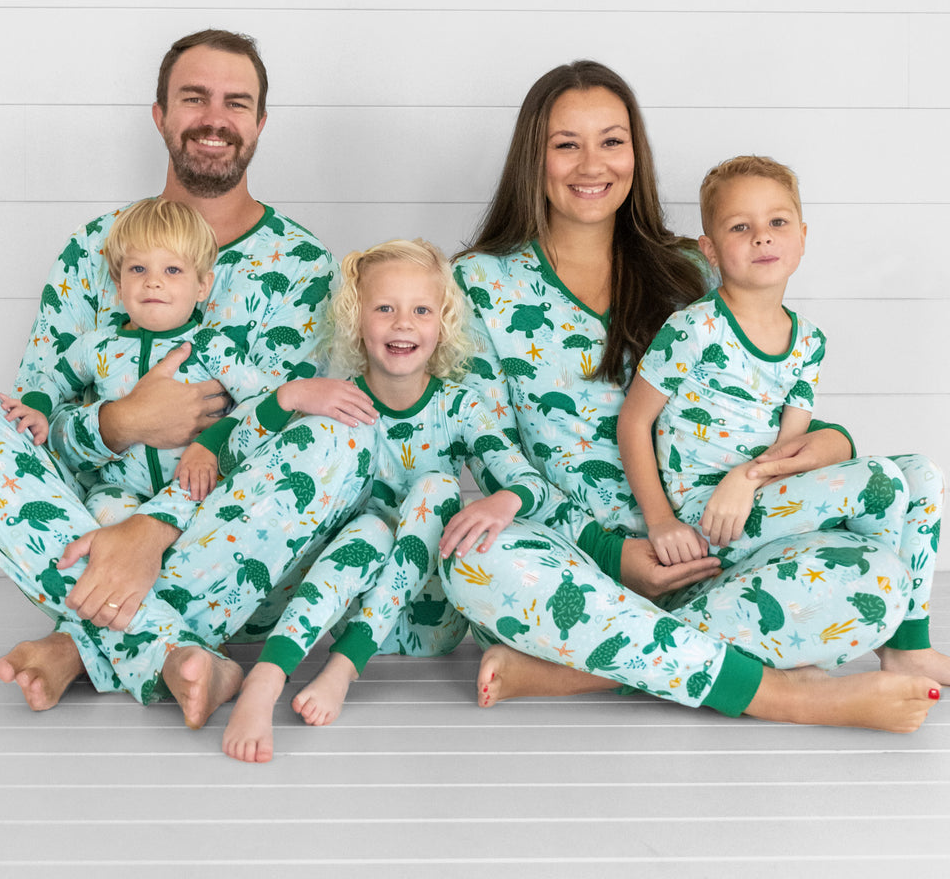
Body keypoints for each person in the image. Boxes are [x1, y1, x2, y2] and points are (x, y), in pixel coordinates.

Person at [442, 60, 944, 732]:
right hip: (583, 563)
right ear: (534, 157)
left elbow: (764, 408)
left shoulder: (691, 268)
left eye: (612, 140)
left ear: (636, 153)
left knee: (883, 567)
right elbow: (492, 452)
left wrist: (825, 447)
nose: (592, 164)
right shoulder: (478, 283)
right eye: (567, 143)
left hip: (719, 542)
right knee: (475, 558)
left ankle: (588, 669)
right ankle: (784, 694)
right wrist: (616, 551)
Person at [0, 29, 383, 726]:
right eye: (193, 98)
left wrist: (156, 528)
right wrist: (117, 424)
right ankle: (173, 655)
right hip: (92, 537)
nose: (215, 118)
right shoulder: (92, 250)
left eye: (236, 103)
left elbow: (288, 430)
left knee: (345, 437)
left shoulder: (306, 268)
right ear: (160, 115)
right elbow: (33, 428)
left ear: (259, 124)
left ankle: (80, 645)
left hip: (234, 554)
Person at [222, 239, 563, 763]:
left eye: (421, 310)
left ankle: (342, 670)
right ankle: (265, 681)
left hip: (434, 624)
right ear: (357, 320)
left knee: (436, 488)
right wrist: (287, 397)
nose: (403, 323)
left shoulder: (460, 406)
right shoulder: (337, 398)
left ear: (442, 324)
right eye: (385, 308)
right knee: (370, 530)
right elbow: (237, 461)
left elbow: (529, 482)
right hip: (343, 601)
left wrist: (503, 501)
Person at [619, 155, 928, 578]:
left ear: (802, 237)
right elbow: (634, 422)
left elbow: (790, 448)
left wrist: (746, 478)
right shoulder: (694, 328)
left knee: (921, 476)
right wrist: (661, 523)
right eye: (740, 227)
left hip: (763, 490)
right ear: (709, 249)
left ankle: (902, 633)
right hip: (707, 518)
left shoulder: (809, 341)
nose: (762, 238)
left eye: (778, 223)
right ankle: (873, 601)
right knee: (881, 479)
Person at [0, 197, 271, 519]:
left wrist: (210, 445)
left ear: (202, 285)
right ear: (119, 283)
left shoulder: (211, 346)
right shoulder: (98, 346)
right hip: (118, 489)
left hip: (195, 488)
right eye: (138, 268)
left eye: (173, 269)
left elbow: (262, 400)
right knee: (103, 513)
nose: (153, 281)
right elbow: (52, 378)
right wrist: (37, 408)